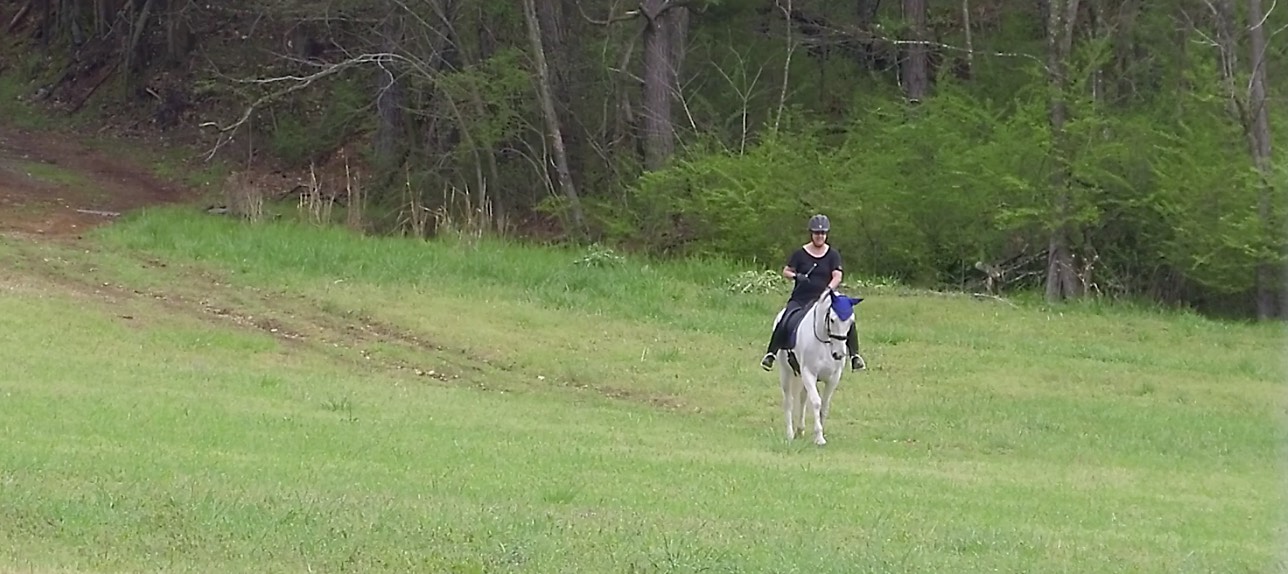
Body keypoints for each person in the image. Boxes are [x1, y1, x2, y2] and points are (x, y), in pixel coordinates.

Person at [760, 214, 865, 372]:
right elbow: (786, 271)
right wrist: (797, 276)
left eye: (823, 233)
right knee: (786, 318)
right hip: (802, 297)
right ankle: (771, 353)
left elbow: (837, 275)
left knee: (846, 316)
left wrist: (829, 289)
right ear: (811, 233)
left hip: (825, 298)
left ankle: (855, 355)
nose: (820, 236)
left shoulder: (832, 255)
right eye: (817, 233)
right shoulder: (800, 254)